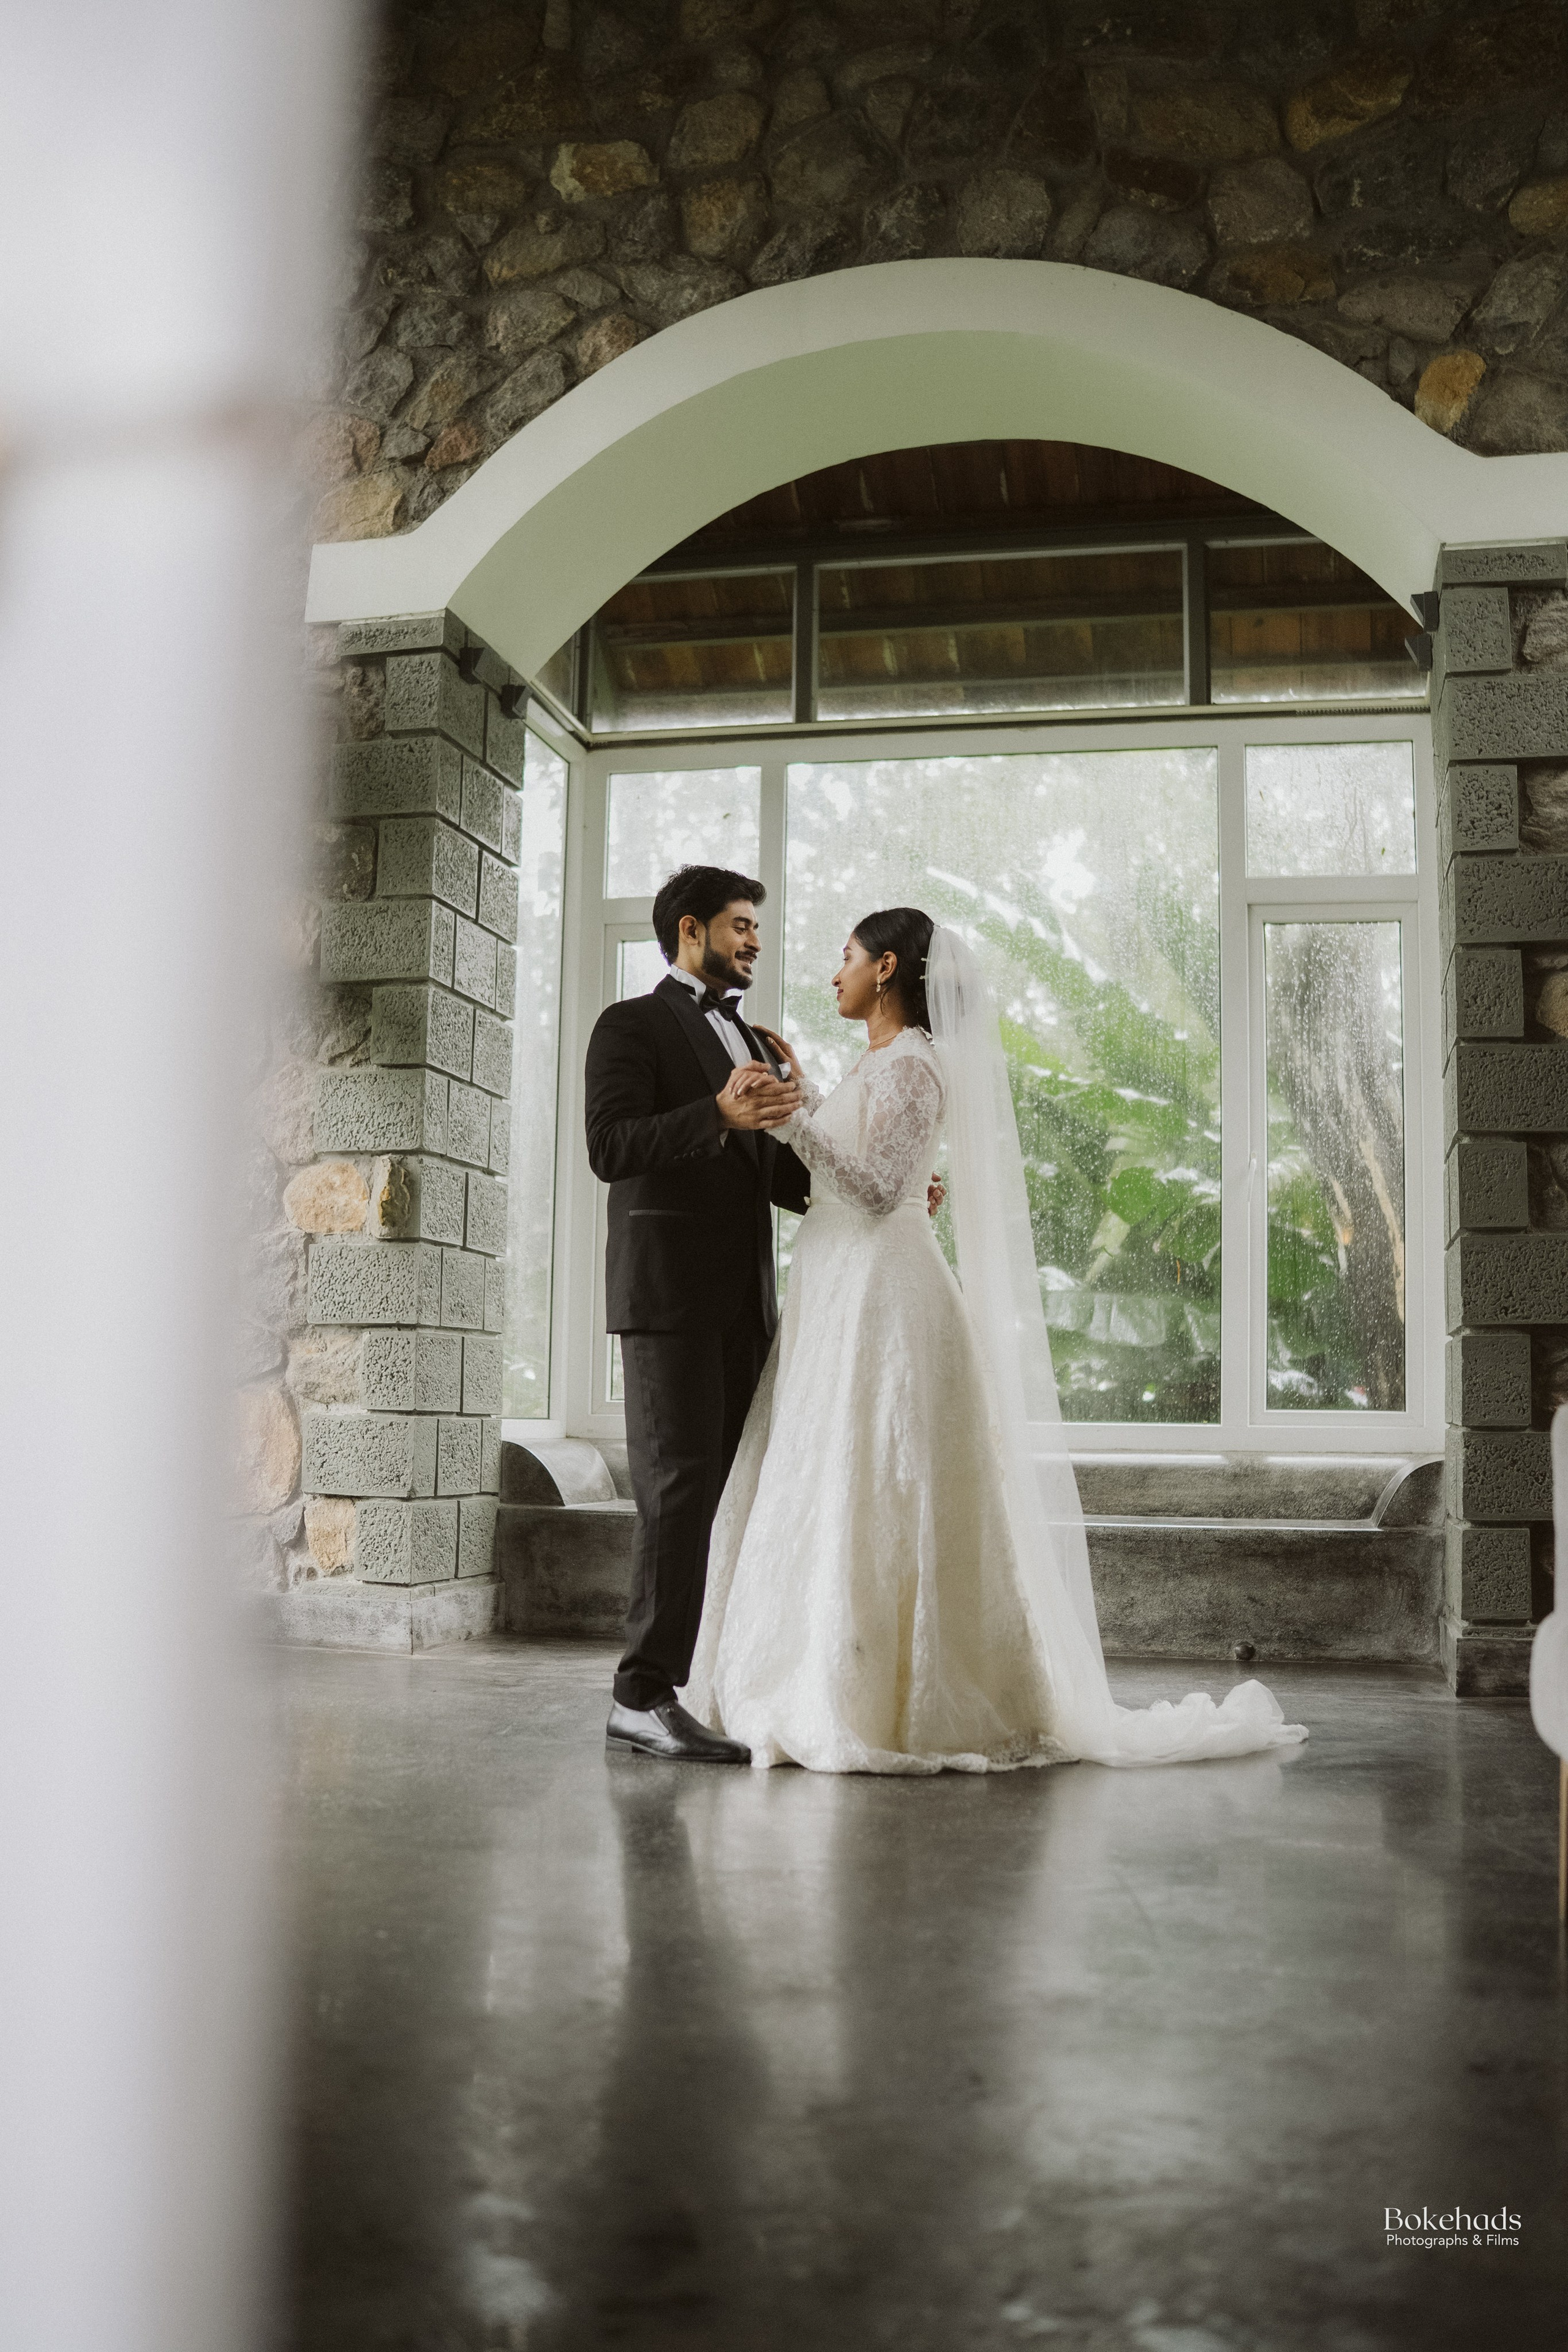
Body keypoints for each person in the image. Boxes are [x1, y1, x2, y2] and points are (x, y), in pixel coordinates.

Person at [684, 908, 1308, 1774]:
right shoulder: (884, 1062)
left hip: (882, 1292)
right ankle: (821, 1669)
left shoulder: (915, 1063)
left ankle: (893, 1698)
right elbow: (867, 1159)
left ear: (887, 968)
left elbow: (878, 1193)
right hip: (840, 1285)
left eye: (848, 956)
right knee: (834, 1471)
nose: (835, 973)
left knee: (882, 1475)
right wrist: (813, 1095)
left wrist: (789, 1120)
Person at [583, 864, 810, 1763]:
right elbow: (611, 1146)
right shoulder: (629, 1024)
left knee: (722, 1497)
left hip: (744, 1303)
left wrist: (880, 1189)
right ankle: (639, 1697)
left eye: (756, 926)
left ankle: (703, 1680)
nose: (754, 939)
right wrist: (714, 1112)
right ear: (690, 929)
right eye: (740, 924)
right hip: (668, 1299)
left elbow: (774, 1172)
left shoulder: (750, 1035)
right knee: (676, 1493)